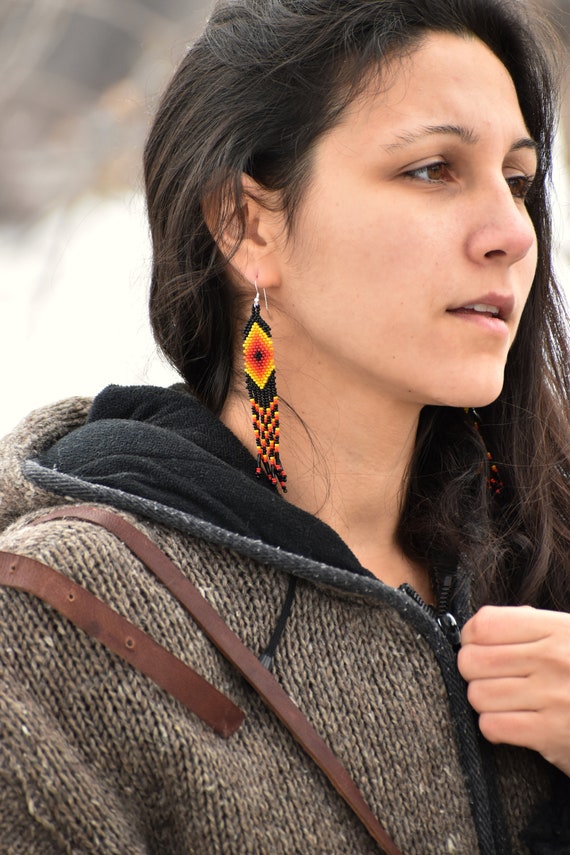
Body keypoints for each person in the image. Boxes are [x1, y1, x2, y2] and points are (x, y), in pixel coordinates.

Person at [0, 0, 569, 851]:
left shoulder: (541, 545)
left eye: (518, 182)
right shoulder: (64, 620)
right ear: (247, 224)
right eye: (432, 169)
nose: (511, 235)